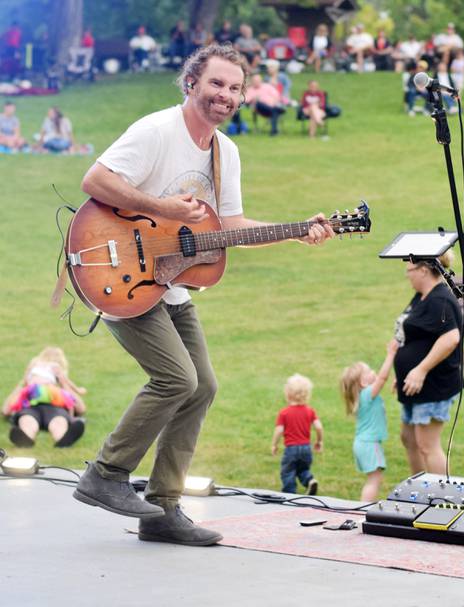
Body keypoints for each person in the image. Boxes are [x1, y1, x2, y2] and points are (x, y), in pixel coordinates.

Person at [71, 44, 334, 547]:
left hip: (169, 283)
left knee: (203, 385)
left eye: (235, 88)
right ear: (191, 82)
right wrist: (160, 205)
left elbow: (229, 225)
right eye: (216, 84)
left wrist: (295, 231)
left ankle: (162, 509)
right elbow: (95, 179)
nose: (226, 95)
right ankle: (105, 473)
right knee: (176, 378)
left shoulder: (224, 152)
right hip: (118, 271)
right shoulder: (156, 131)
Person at [393, 249, 463, 475]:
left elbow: (451, 338)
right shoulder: (421, 296)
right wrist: (402, 372)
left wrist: (420, 370)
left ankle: (441, 498)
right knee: (409, 439)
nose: (408, 276)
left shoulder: (441, 299)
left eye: (410, 271)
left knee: (427, 445)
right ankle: (419, 493)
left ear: (423, 270)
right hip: (413, 385)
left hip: (433, 385)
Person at [340, 340, 398, 502]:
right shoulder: (367, 394)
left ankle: (365, 508)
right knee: (374, 481)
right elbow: (382, 378)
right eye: (369, 371)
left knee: (373, 479)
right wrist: (391, 354)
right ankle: (365, 509)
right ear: (363, 382)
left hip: (363, 443)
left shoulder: (363, 397)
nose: (373, 372)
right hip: (369, 443)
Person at [2, 347, 87, 448]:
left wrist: (64, 383)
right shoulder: (28, 388)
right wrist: (24, 382)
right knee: (27, 421)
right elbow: (5, 410)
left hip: (55, 408)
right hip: (30, 407)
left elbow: (81, 409)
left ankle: (63, 439)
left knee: (58, 422)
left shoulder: (60, 391)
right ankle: (25, 438)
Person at [271, 374, 323, 495]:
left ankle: (289, 494)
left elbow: (279, 430)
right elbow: (319, 427)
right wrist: (319, 441)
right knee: (302, 469)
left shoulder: (284, 413)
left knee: (288, 472)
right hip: (306, 448)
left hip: (291, 450)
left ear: (288, 394)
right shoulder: (310, 411)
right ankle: (310, 480)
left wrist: (274, 444)